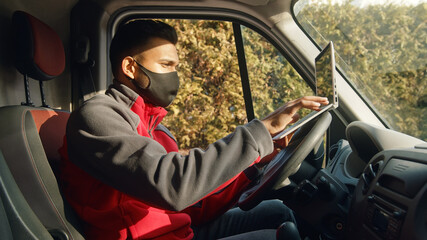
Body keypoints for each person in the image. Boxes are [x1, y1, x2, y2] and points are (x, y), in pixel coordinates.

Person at [59, 20, 329, 240]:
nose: (174, 76)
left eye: (176, 67)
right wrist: (260, 131)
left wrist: (252, 167)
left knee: (277, 212)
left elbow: (194, 204)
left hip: (178, 229)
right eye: (166, 66)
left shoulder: (157, 129)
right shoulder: (97, 117)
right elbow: (172, 187)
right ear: (130, 67)